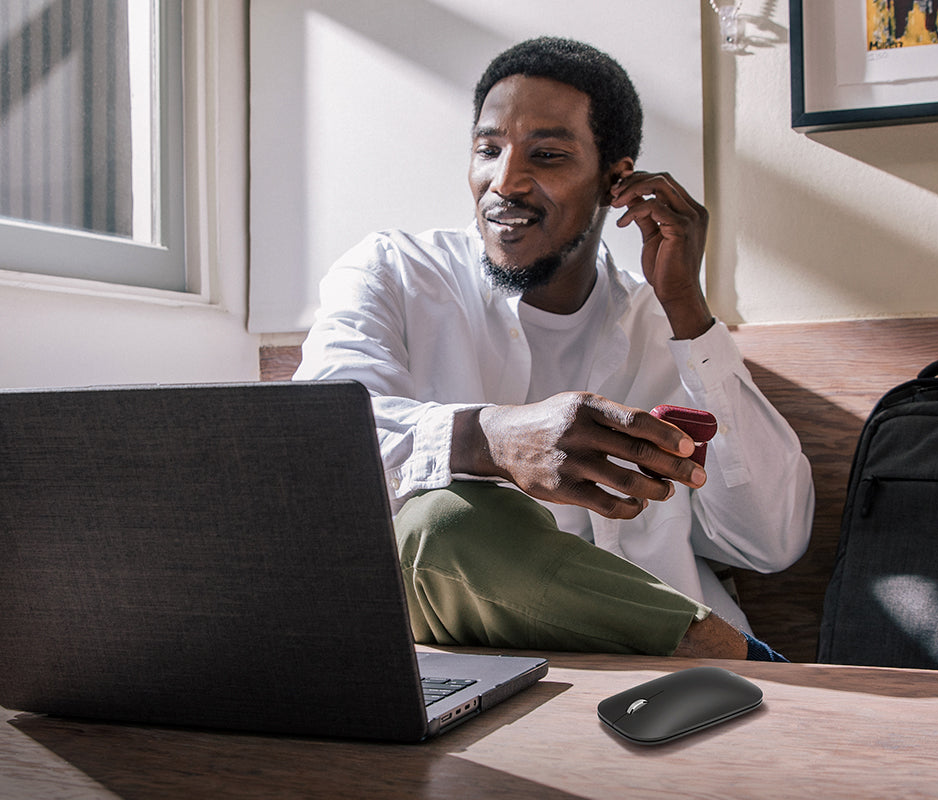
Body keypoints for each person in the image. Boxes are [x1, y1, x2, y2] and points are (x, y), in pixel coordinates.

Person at [294, 37, 813, 660]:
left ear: (615, 182)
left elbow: (773, 541)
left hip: (662, 675)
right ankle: (733, 660)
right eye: (488, 150)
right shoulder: (395, 274)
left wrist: (688, 310)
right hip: (476, 665)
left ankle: (724, 661)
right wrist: (492, 439)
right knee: (443, 526)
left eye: (547, 155)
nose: (504, 182)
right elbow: (321, 449)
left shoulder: (664, 329)